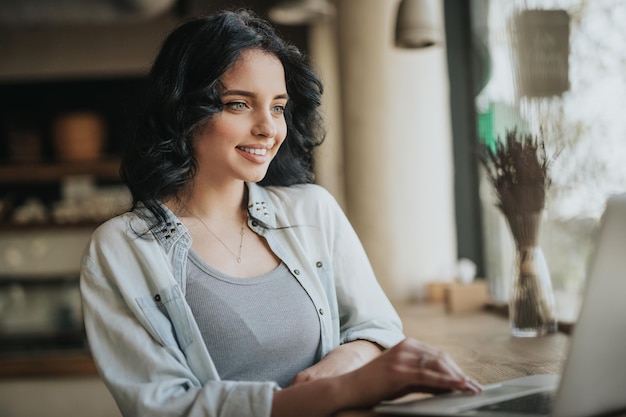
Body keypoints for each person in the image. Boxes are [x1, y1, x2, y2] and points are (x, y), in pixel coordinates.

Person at [79, 9, 481, 417]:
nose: (268, 128)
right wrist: (341, 392)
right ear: (183, 112)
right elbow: (164, 408)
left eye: (277, 107)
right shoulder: (123, 247)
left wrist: (340, 367)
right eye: (239, 105)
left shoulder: (313, 210)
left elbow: (377, 328)